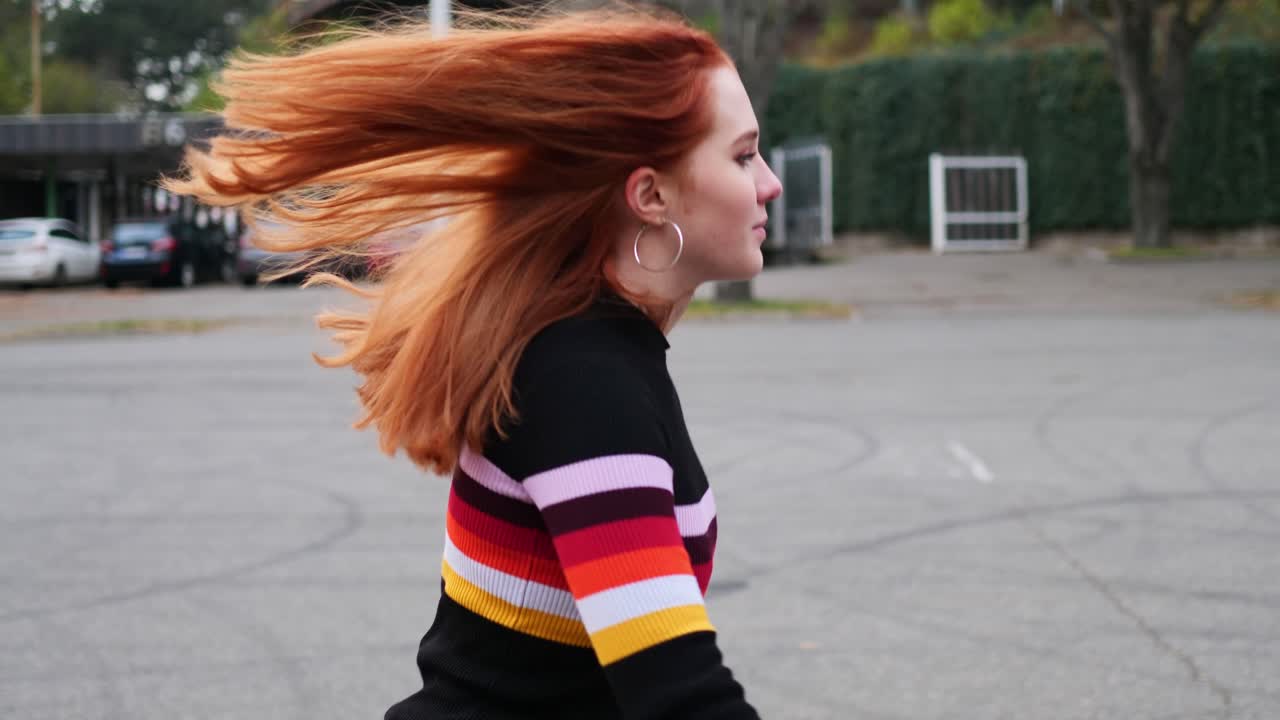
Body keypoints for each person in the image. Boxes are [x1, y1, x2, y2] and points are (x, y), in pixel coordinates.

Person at [165, 5, 782, 718]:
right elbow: (680, 695)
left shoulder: (594, 350)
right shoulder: (585, 377)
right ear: (648, 195)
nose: (768, 182)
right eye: (743, 155)